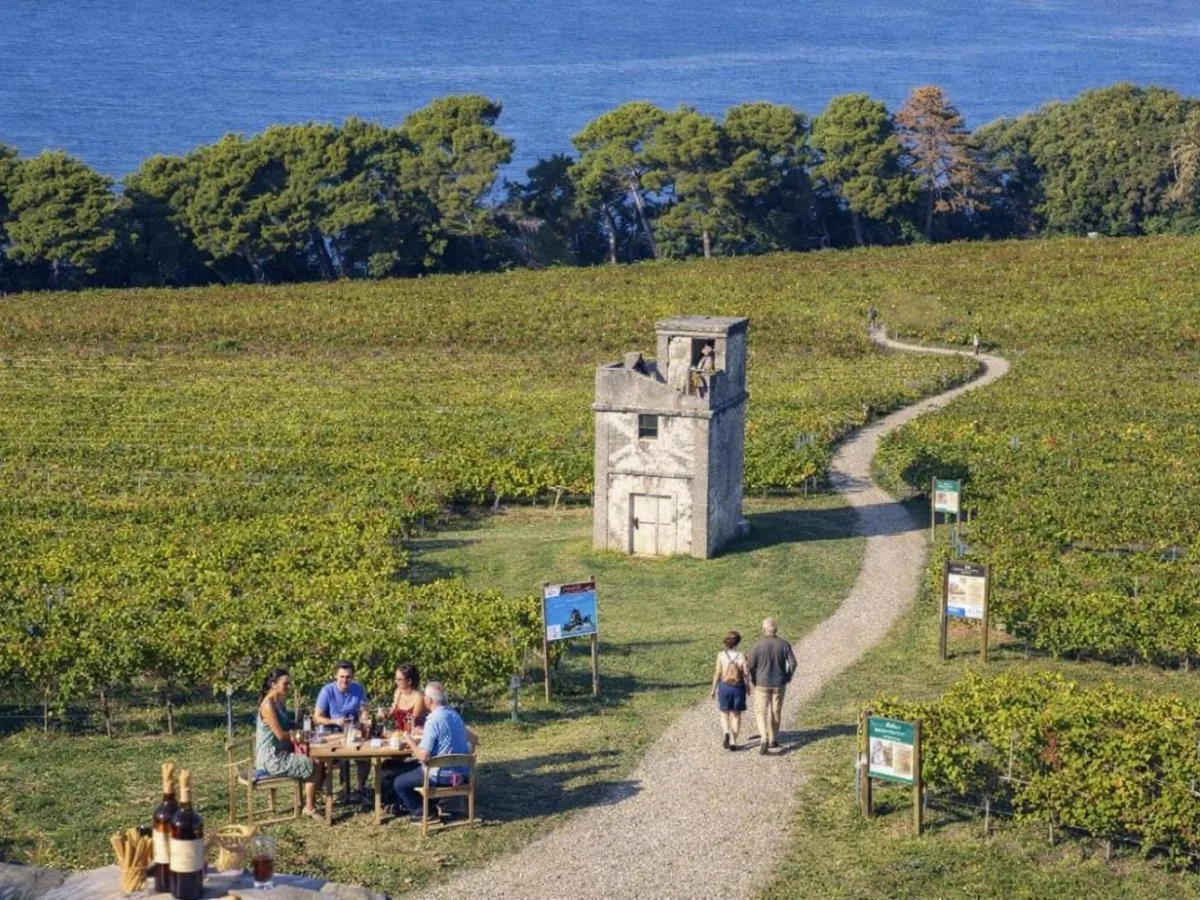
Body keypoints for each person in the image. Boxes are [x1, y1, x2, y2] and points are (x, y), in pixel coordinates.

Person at [392, 682, 471, 823]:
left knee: (399, 782)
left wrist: (409, 740)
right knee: (410, 769)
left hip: (441, 776)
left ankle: (422, 812)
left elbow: (423, 756)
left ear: (428, 700)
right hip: (460, 774)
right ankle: (430, 806)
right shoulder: (454, 715)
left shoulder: (433, 720)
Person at [256, 668, 325, 820]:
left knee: (319, 759)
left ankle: (312, 797)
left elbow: (287, 725)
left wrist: (304, 724)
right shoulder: (268, 705)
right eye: (285, 684)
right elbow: (280, 735)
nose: (288, 687)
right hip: (272, 758)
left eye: (289, 684)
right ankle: (309, 807)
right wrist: (302, 734)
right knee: (314, 763)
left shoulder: (279, 703)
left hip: (281, 752)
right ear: (273, 684)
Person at [313, 661, 370, 796]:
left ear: (353, 677)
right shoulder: (327, 691)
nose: (345, 680)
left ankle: (361, 787)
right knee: (336, 757)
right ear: (336, 676)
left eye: (348, 677)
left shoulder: (358, 689)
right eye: (342, 677)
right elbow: (317, 718)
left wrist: (365, 719)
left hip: (352, 729)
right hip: (331, 730)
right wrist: (335, 721)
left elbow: (363, 710)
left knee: (366, 755)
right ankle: (334, 788)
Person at [745, 618, 797, 755]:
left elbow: (751, 665)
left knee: (760, 712)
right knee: (776, 711)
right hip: (779, 684)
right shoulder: (784, 644)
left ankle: (763, 737)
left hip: (762, 683)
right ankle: (773, 738)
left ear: (763, 629)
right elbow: (793, 663)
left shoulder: (758, 645)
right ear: (776, 630)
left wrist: (754, 678)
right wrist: (788, 676)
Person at [709, 630, 748, 750]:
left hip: (724, 686)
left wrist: (713, 689)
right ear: (737, 643)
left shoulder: (721, 655)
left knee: (724, 713)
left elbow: (717, 673)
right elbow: (746, 674)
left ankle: (726, 732)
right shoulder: (741, 655)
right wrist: (748, 687)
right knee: (736, 715)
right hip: (738, 687)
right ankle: (733, 741)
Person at [389, 663, 427, 731]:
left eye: (399, 679)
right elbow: (392, 713)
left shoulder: (419, 697)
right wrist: (385, 714)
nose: (396, 682)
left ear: (409, 681)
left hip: (414, 734)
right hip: (398, 733)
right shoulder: (398, 692)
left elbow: (412, 722)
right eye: (395, 679)